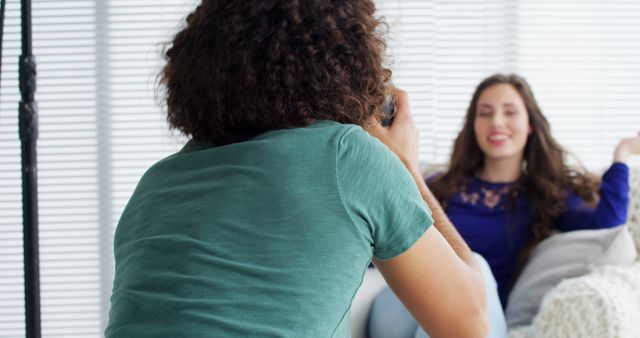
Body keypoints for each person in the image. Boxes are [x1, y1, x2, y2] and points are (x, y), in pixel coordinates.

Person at [104, 1, 489, 337]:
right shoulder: (346, 156)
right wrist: (405, 165)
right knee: (480, 270)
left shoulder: (155, 184)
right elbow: (469, 326)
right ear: (346, 62)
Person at [368, 73, 640, 338]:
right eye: (485, 113)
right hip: (405, 310)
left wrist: (623, 152)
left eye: (510, 112)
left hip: (481, 321)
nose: (496, 122)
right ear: (473, 125)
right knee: (469, 270)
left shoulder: (545, 195)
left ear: (530, 124)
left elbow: (609, 228)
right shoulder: (435, 187)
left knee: (475, 270)